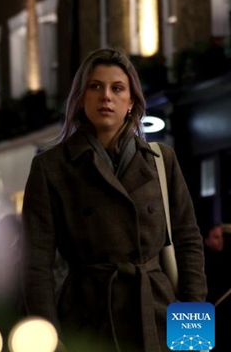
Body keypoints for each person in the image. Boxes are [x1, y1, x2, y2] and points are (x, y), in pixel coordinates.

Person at [21, 48, 206, 351]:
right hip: (88, 318)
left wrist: (194, 334)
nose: (106, 96)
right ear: (81, 97)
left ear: (131, 101)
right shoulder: (51, 166)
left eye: (117, 88)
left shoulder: (161, 160)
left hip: (157, 313)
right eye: (95, 86)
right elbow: (36, 264)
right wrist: (48, 339)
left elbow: (188, 241)